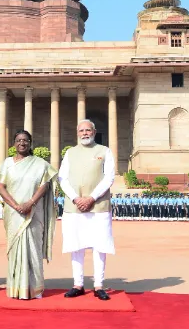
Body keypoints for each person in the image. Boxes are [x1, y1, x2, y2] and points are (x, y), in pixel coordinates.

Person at [0, 130, 57, 300]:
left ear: (30, 143)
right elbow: (1, 186)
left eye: (25, 140)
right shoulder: (7, 163)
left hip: (33, 212)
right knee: (15, 249)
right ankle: (16, 288)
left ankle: (35, 288)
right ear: (14, 143)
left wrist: (30, 203)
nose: (22, 143)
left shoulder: (40, 163)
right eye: (18, 140)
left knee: (33, 248)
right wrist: (16, 205)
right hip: (13, 213)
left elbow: (44, 185)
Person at [59, 120, 115, 301]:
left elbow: (109, 177)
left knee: (100, 246)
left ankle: (99, 285)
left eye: (88, 130)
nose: (85, 133)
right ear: (77, 133)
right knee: (76, 245)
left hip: (98, 205)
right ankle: (78, 284)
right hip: (74, 206)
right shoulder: (70, 153)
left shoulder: (104, 151)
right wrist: (76, 198)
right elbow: (62, 178)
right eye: (81, 130)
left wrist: (92, 198)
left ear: (94, 131)